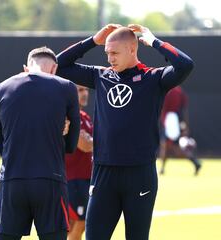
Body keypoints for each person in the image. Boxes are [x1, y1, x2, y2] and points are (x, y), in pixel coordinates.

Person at [56, 24, 194, 240]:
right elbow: (60, 64)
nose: (110, 58)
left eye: (115, 53)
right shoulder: (100, 76)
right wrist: (93, 40)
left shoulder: (153, 78)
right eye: (107, 53)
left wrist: (154, 41)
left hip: (140, 173)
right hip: (103, 173)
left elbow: (185, 65)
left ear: (132, 49)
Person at [0, 46, 80, 240]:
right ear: (54, 68)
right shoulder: (67, 87)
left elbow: (0, 142)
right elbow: (71, 145)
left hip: (12, 179)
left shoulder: (1, 87)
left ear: (26, 67)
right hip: (51, 180)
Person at [65, 85, 93, 240]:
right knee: (77, 223)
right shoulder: (70, 116)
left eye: (86, 90)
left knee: (79, 225)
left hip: (85, 178)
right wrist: (102, 141)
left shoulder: (84, 116)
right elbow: (85, 145)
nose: (85, 93)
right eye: (80, 90)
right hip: (73, 180)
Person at [159, 85, 201, 175]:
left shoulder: (167, 90)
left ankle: (195, 162)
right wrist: (185, 124)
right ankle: (162, 168)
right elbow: (184, 110)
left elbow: (162, 108)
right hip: (174, 121)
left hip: (170, 121)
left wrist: (164, 122)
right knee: (167, 146)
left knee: (169, 146)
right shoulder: (179, 90)